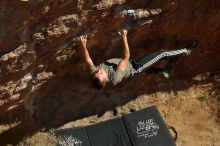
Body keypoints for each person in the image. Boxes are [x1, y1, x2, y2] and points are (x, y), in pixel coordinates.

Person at [79, 29, 196, 89]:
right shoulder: (115, 78)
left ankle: (163, 72)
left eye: (97, 72)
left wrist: (83, 45)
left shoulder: (94, 74)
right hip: (136, 67)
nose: (99, 70)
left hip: (130, 64)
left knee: (149, 66)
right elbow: (126, 57)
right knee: (161, 53)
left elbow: (88, 60)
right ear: (106, 78)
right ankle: (186, 51)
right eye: (101, 73)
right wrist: (124, 37)